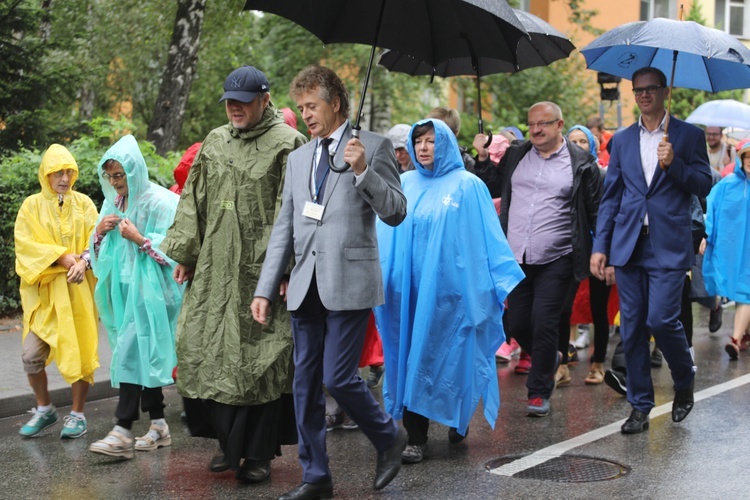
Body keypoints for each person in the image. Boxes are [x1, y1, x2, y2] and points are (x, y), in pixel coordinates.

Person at [251, 65, 408, 500]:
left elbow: (396, 210)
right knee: (304, 383)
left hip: (350, 279)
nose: (306, 115)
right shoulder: (299, 157)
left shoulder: (372, 147)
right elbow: (285, 226)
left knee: (338, 378)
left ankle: (387, 436)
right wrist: (265, 288)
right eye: (300, 108)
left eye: (312, 106)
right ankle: (315, 476)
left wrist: (363, 173)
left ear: (335, 103)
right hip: (305, 285)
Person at [162, 66, 306, 483]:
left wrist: (286, 269)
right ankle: (227, 444)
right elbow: (194, 199)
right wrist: (186, 253)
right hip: (214, 267)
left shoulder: (288, 144)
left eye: (242, 101)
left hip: (261, 273)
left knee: (260, 362)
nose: (234, 108)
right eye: (229, 101)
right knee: (204, 349)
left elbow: (293, 212)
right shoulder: (215, 140)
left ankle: (258, 454)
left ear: (265, 99)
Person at [374, 118, 523, 464]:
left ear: (446, 143)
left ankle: (458, 414)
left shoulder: (468, 186)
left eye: (431, 140)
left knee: (451, 357)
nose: (424, 147)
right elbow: (386, 233)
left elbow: (484, 238)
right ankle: (416, 437)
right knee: (414, 358)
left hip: (450, 295)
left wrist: (488, 286)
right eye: (419, 141)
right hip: (409, 294)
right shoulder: (405, 182)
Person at [591, 67, 712, 434]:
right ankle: (640, 405)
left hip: (669, 244)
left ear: (664, 90)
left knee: (661, 319)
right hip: (628, 245)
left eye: (651, 89)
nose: (644, 95)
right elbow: (611, 197)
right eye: (638, 89)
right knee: (632, 328)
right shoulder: (623, 140)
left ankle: (684, 377)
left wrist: (674, 164)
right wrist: (601, 247)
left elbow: (704, 184)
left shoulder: (688, 136)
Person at [474, 102, 601, 417]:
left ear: (559, 125)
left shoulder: (581, 162)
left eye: (542, 124)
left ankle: (539, 391)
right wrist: (481, 156)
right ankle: (551, 358)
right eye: (531, 124)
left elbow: (596, 210)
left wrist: (603, 251)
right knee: (517, 323)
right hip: (516, 257)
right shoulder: (517, 154)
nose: (535, 130)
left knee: (544, 321)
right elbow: (489, 184)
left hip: (558, 257)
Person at [88, 135, 184, 459]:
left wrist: (140, 239)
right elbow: (100, 249)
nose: (116, 183)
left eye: (121, 176)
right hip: (129, 290)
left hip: (157, 292)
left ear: (135, 170)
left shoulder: (160, 201)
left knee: (131, 350)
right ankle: (159, 425)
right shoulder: (114, 201)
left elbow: (176, 250)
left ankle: (122, 430)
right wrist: (99, 233)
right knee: (142, 354)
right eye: (111, 177)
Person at [14, 144, 99, 439]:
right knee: (30, 357)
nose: (64, 177)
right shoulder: (31, 206)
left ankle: (77, 415)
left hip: (78, 295)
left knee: (80, 355)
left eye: (68, 171)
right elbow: (24, 246)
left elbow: (98, 239)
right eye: (57, 172)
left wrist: (84, 262)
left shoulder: (85, 204)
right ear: (46, 175)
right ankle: (45, 408)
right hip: (46, 298)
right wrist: (61, 258)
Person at [702, 141, 750, 359]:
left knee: (745, 291)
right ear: (740, 159)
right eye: (747, 156)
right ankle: (745, 333)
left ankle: (736, 339)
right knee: (737, 287)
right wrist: (706, 235)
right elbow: (711, 211)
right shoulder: (726, 185)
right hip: (732, 248)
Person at [425, 107, 476, 172]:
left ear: (454, 133)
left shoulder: (467, 164)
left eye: (438, 130)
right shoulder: (418, 162)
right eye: (426, 129)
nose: (430, 135)